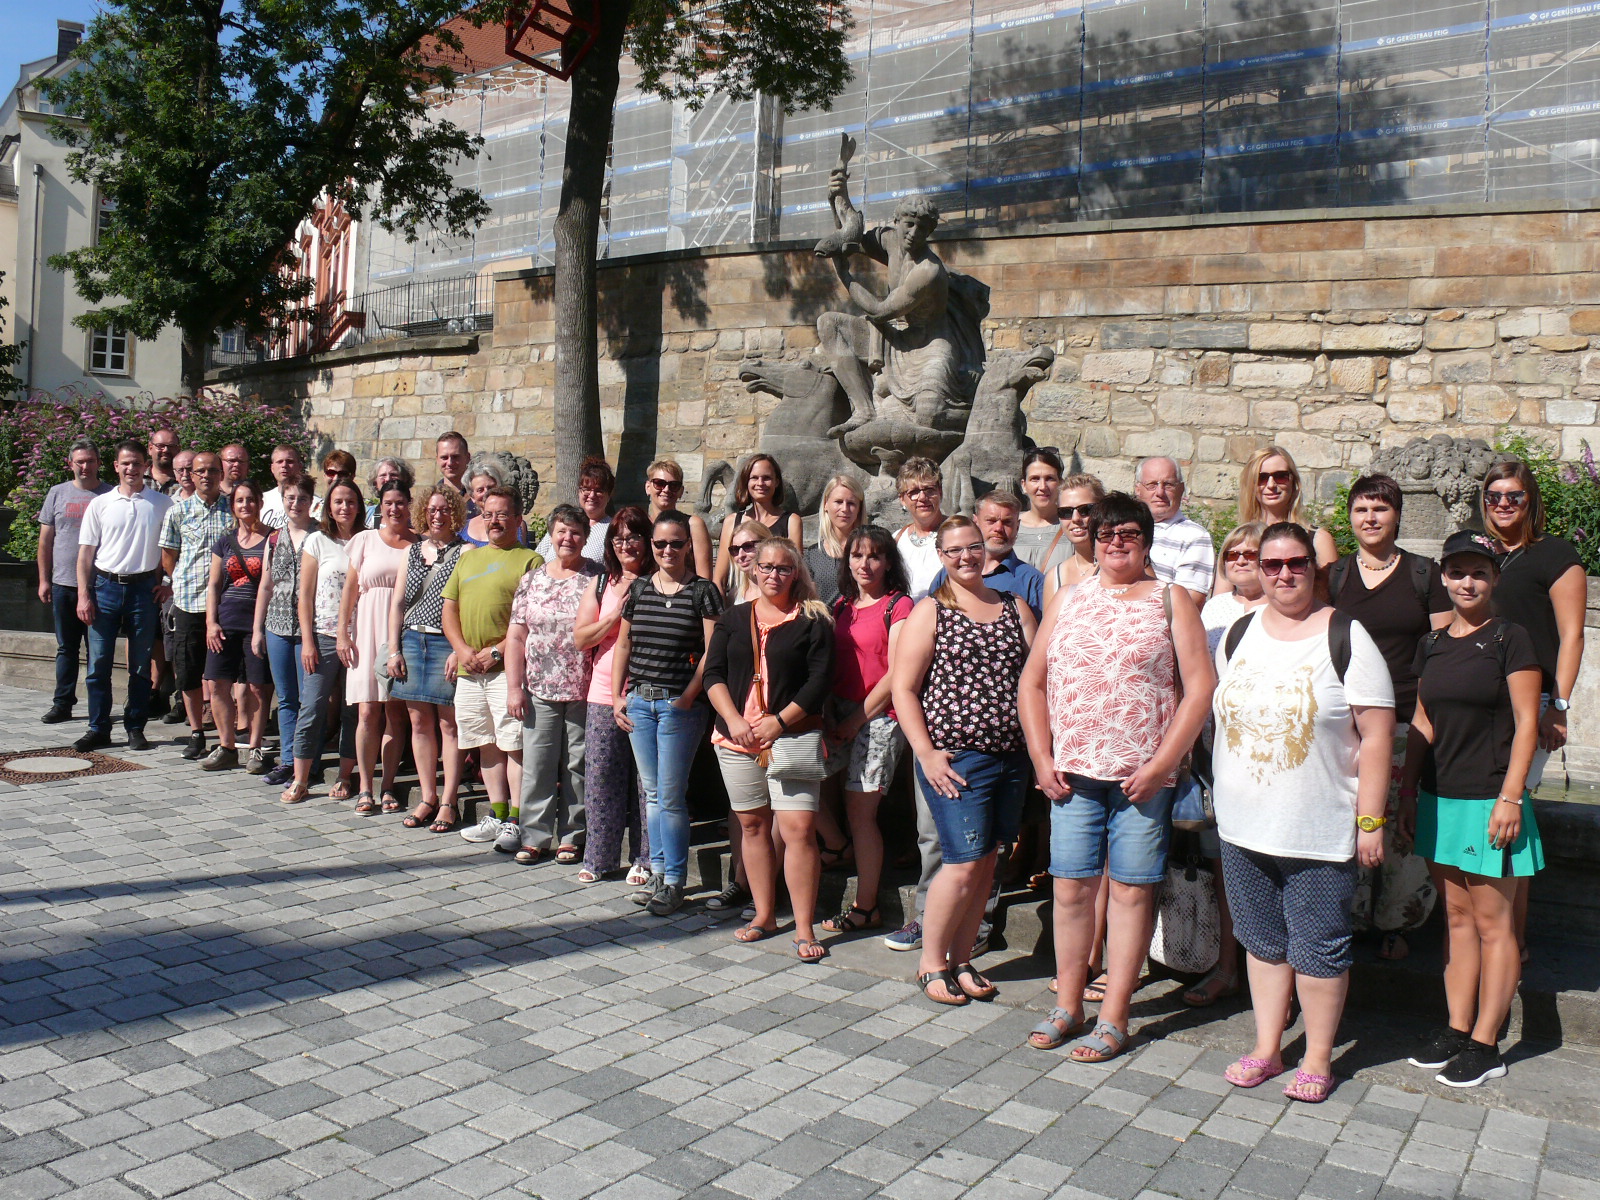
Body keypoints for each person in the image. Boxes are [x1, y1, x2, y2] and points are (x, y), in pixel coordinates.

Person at [1018, 493, 1215, 1056]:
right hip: (1072, 775)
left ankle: (1116, 1014)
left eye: (1129, 532)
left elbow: (1200, 689)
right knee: (1072, 889)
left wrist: (1162, 765)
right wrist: (1040, 755)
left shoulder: (1171, 600)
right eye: (1106, 534)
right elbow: (1033, 682)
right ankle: (1068, 1006)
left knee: (1130, 894)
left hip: (1140, 781)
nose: (1116, 542)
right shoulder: (1068, 598)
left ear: (1147, 541)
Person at [1210, 523, 1394, 1104]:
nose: (1284, 574)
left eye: (1295, 564)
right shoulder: (1238, 633)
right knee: (1262, 944)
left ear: (1314, 568)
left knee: (1318, 948)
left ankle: (1317, 1056)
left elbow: (1379, 736)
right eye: (1271, 565)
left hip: (1316, 825)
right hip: (1243, 824)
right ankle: (1268, 1046)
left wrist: (1370, 821)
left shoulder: (1346, 635)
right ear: (1256, 570)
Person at [1398, 530, 1543, 1088]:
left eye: (1478, 572)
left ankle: (1487, 1042)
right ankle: (1457, 1028)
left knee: (1493, 923)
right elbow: (1424, 721)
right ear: (1444, 576)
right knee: (1456, 918)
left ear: (1494, 579)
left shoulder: (1511, 638)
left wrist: (1510, 798)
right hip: (1440, 798)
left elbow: (1528, 723)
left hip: (1490, 801)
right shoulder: (1432, 643)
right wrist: (1409, 792)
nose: (1467, 581)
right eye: (1457, 571)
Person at [892, 516, 1038, 1006]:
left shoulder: (1016, 607)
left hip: (1011, 757)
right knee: (961, 863)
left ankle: (961, 958)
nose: (965, 557)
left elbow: (1037, 683)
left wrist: (1041, 752)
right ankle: (931, 963)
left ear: (986, 548)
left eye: (972, 547)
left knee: (987, 863)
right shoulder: (930, 610)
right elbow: (904, 689)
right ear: (941, 556)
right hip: (957, 759)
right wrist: (926, 753)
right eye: (953, 551)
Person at [1327, 474, 1451, 961]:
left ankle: (1397, 922)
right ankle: (1354, 916)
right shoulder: (1336, 576)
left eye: (1380, 509)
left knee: (1401, 825)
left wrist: (1430, 716)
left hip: (1405, 717)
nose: (1370, 518)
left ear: (1396, 515)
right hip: (1349, 721)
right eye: (1361, 510)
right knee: (1351, 816)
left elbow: (1443, 652)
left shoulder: (1424, 574)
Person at [705, 538, 836, 961]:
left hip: (792, 736)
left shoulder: (814, 619)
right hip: (737, 738)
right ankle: (763, 914)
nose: (773, 575)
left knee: (798, 831)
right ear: (753, 571)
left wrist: (778, 722)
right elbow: (714, 674)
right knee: (753, 827)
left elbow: (819, 681)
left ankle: (803, 925)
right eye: (766, 567)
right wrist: (736, 721)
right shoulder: (734, 617)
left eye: (782, 568)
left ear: (795, 572)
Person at [1482, 459, 1584, 961]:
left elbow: (1571, 635)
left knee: (1511, 807)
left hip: (1532, 703)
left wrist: (1559, 706)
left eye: (1514, 496)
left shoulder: (1555, 555)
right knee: (1482, 809)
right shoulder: (1476, 551)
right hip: (1477, 701)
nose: (1503, 504)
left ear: (1531, 501)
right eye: (1494, 495)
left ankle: (1511, 943)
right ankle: (1487, 933)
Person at [612, 509, 723, 915]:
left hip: (680, 706)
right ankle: (658, 874)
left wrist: (691, 695)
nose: (668, 550)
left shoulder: (703, 591)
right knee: (654, 793)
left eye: (677, 543)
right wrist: (616, 695)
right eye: (660, 544)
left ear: (688, 546)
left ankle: (674, 881)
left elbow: (713, 650)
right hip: (640, 701)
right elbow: (624, 644)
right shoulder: (640, 589)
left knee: (672, 796)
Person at [1185, 521, 1269, 1009]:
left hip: (1265, 757)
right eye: (1232, 552)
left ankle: (1273, 975)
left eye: (1250, 552)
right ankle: (1227, 967)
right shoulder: (1214, 608)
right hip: (1214, 756)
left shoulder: (1284, 606)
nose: (1240, 559)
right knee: (1223, 866)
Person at [821, 526, 912, 936]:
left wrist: (855, 720)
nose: (865, 564)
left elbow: (897, 673)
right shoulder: (841, 604)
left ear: (889, 561)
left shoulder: (900, 605)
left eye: (874, 556)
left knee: (862, 813)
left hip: (878, 718)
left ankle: (867, 905)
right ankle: (837, 848)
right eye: (857, 556)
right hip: (836, 710)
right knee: (802, 787)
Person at [507, 504, 602, 867]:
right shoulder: (533, 578)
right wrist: (515, 688)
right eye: (562, 531)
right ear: (551, 534)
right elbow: (516, 636)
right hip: (540, 688)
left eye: (576, 532)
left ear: (586, 537)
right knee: (538, 763)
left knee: (577, 765)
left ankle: (572, 836)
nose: (568, 539)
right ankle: (534, 836)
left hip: (584, 688)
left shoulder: (597, 577)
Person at [446, 487, 541, 846]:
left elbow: (532, 621)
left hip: (506, 670)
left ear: (518, 520)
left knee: (513, 743)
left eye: (502, 514)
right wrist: (461, 649)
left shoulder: (529, 560)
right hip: (470, 671)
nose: (494, 521)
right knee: (484, 742)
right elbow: (449, 611)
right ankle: (496, 813)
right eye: (488, 514)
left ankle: (516, 819)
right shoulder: (467, 559)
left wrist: (497, 652)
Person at [73, 440, 173, 753]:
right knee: (98, 663)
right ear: (115, 466)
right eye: (125, 463)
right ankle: (98, 728)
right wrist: (83, 595)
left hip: (144, 590)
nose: (131, 469)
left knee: (141, 665)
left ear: (146, 466)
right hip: (105, 588)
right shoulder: (101, 504)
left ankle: (135, 727)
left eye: (137, 463)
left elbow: (171, 550)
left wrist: (168, 581)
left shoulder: (161, 504)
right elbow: (85, 553)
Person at [574, 507, 654, 883]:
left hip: (648, 692)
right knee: (601, 778)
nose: (627, 545)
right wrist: (614, 617)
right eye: (619, 538)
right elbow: (580, 637)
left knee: (646, 783)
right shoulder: (602, 584)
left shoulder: (660, 581)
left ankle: (645, 858)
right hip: (603, 692)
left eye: (634, 537)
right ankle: (599, 857)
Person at [388, 484, 468, 832]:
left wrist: (457, 648)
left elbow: (465, 605)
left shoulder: (465, 552)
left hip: (443, 644)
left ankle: (449, 800)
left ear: (455, 513)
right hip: (412, 640)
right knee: (418, 723)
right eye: (433, 509)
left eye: (445, 509)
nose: (438, 515)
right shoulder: (413, 551)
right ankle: (427, 796)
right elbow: (398, 603)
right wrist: (394, 649)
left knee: (449, 725)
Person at [281, 479, 364, 805]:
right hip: (324, 636)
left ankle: (344, 776)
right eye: (338, 501)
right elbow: (305, 596)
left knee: (351, 711)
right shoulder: (317, 541)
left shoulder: (367, 540)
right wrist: (308, 641)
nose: (344, 507)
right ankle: (300, 778)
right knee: (311, 708)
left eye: (350, 501)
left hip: (360, 638)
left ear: (358, 505)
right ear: (329, 506)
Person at [338, 483, 418, 814]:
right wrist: (343, 633)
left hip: (400, 630)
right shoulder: (365, 540)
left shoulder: (419, 544)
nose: (394, 509)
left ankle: (388, 786)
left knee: (395, 711)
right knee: (367, 710)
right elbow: (349, 592)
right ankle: (365, 787)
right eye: (388, 503)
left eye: (400, 502)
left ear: (409, 505)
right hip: (367, 627)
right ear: (380, 506)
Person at [160, 452, 232, 762]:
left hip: (226, 604)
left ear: (221, 473)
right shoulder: (179, 512)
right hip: (189, 602)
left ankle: (228, 733)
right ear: (191, 473)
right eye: (199, 470)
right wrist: (180, 582)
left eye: (212, 470)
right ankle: (196, 732)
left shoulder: (235, 509)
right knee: (188, 672)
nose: (205, 475)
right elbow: (168, 555)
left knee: (223, 674)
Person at [38, 440, 111, 723]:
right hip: (63, 584)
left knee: (99, 651)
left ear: (98, 463)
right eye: (79, 461)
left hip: (101, 585)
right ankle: (62, 703)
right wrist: (44, 580)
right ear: (71, 464)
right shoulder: (57, 493)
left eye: (90, 461)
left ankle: (98, 707)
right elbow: (45, 541)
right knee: (66, 648)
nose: (85, 466)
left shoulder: (109, 494)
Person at [201, 481, 271, 771]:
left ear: (259, 503)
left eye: (251, 500)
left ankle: (255, 746)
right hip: (227, 620)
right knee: (217, 683)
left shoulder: (272, 539)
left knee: (258, 686)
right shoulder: (225, 541)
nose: (246, 505)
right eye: (240, 501)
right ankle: (226, 745)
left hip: (259, 622)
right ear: (233, 506)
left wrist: (260, 630)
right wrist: (210, 622)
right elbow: (214, 584)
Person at [253, 476, 317, 788]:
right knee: (287, 697)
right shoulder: (274, 538)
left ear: (311, 500)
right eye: (290, 497)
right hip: (277, 625)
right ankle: (289, 760)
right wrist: (257, 629)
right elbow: (266, 585)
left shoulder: (320, 536)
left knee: (310, 698)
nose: (295, 504)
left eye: (301, 498)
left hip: (310, 628)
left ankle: (309, 759)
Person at [1217, 445, 1337, 593]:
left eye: (1281, 476)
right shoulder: (1238, 543)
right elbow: (1221, 601)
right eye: (1261, 478)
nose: (1271, 485)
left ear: (1293, 482)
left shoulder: (1317, 539)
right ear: (1251, 484)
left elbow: (1330, 598)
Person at [927, 490, 1045, 618]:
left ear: (1017, 526)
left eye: (1007, 522)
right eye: (991, 521)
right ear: (976, 522)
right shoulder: (948, 573)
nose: (998, 528)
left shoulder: (1032, 582)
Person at [713, 454, 803, 592]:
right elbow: (720, 578)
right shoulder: (732, 522)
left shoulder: (791, 521)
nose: (760, 483)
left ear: (777, 482)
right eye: (754, 478)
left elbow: (797, 572)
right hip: (739, 601)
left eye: (766, 478)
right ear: (746, 482)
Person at [1134, 457, 1214, 606]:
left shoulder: (1194, 536)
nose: (1160, 492)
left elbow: (1188, 606)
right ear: (1138, 489)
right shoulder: (1122, 530)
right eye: (1151, 485)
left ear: (1181, 489)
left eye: (1168, 485)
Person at [643, 458, 713, 578]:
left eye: (673, 485)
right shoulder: (641, 524)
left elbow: (705, 578)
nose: (666, 490)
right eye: (659, 483)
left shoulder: (692, 525)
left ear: (681, 491)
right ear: (648, 487)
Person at [1042, 473, 1106, 604]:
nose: (1076, 518)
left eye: (1086, 510)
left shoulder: (1124, 565)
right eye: (1066, 512)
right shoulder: (1054, 577)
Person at [537, 455, 613, 563]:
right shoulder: (562, 522)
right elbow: (538, 559)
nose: (592, 495)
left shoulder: (612, 530)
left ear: (609, 495)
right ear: (579, 491)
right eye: (586, 489)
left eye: (599, 490)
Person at [891, 457, 947, 603]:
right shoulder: (896, 539)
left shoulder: (957, 534)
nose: (922, 497)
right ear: (902, 499)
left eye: (929, 490)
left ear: (940, 492)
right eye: (914, 492)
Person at [805, 474, 865, 606]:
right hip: (824, 623)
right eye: (838, 502)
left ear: (859, 508)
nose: (844, 509)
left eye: (851, 503)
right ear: (826, 504)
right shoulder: (813, 554)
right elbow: (808, 602)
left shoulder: (870, 551)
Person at [1015, 448, 1073, 573]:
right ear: (1024, 485)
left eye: (1049, 479)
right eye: (1035, 479)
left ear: (1060, 484)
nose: (1042, 487)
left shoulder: (1072, 526)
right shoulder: (1010, 526)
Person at [722, 519, 774, 606]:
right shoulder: (734, 596)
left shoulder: (783, 591)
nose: (740, 555)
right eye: (735, 549)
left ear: (766, 544)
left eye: (748, 546)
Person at [259, 445, 308, 530]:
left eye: (290, 461)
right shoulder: (260, 501)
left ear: (300, 466)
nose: (284, 465)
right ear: (272, 468)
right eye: (279, 461)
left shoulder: (314, 503)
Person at [364, 458, 415, 528]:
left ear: (404, 479)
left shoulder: (416, 515)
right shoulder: (367, 514)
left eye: (393, 474)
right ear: (375, 482)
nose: (388, 479)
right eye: (383, 475)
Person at [146, 427, 181, 494]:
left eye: (171, 446)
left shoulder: (187, 482)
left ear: (178, 449)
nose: (166, 450)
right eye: (160, 446)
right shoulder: (138, 480)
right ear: (150, 449)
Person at [436, 431, 470, 499]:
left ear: (467, 457)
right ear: (437, 459)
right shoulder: (430, 501)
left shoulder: (480, 498)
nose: (450, 463)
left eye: (455, 457)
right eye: (444, 458)